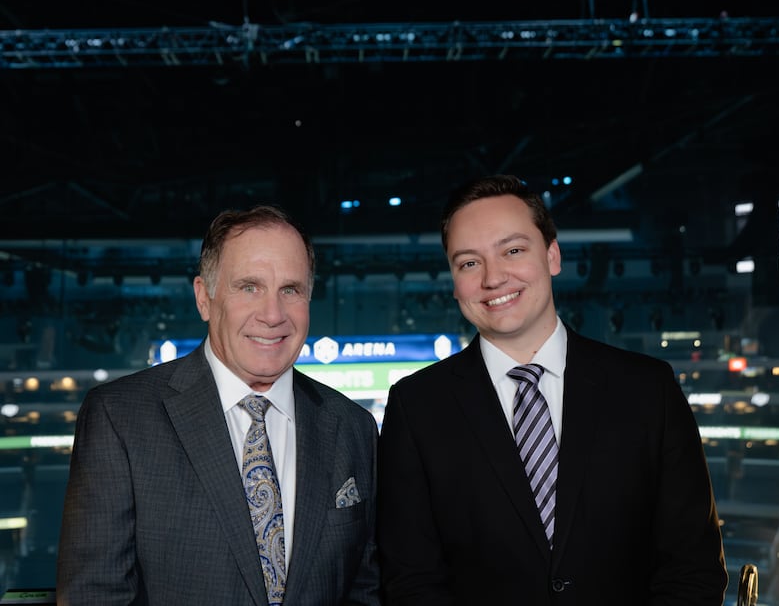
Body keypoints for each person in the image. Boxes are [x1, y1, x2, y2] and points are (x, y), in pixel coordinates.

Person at [377, 175, 727, 605]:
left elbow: (693, 572)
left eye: (513, 251)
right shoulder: (416, 407)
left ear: (553, 255)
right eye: (469, 262)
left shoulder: (648, 389)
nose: (493, 278)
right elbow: (411, 583)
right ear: (453, 279)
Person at [57, 205, 381, 606]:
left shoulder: (352, 426)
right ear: (204, 299)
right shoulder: (120, 417)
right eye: (249, 287)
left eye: (290, 290)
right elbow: (95, 597)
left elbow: (366, 590)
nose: (273, 314)